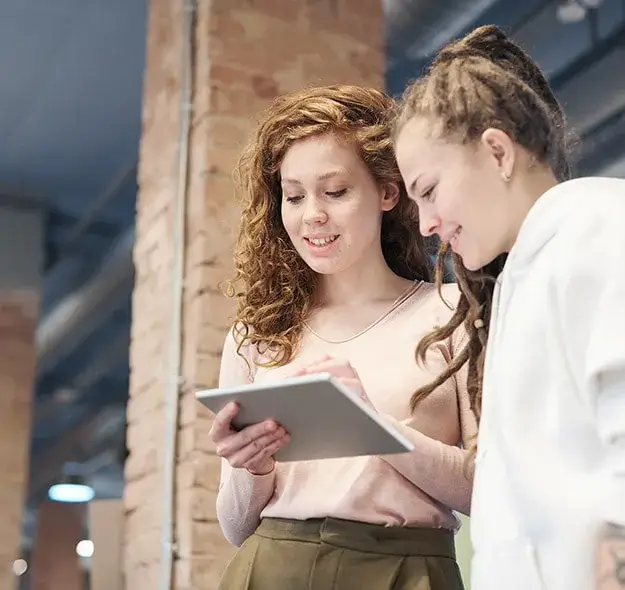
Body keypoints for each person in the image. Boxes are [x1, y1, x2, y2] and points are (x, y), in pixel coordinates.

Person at [209, 84, 477, 590]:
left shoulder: (451, 313)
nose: (313, 214)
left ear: (387, 193)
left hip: (407, 571)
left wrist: (370, 425)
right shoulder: (257, 335)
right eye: (294, 196)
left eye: (335, 191)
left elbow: (489, 491)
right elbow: (236, 525)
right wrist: (255, 466)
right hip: (269, 568)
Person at [392, 23, 625, 590]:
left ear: (497, 151)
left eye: (427, 190)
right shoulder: (524, 274)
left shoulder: (597, 229)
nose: (425, 224)